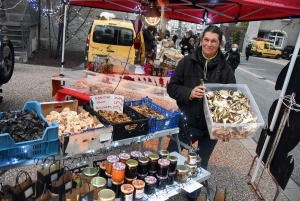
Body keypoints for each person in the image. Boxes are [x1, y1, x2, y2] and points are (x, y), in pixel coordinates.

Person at [167, 25, 236, 201]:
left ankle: (193, 195)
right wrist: (189, 93)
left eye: (214, 41)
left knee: (200, 163)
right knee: (171, 158)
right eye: (206, 40)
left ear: (219, 43)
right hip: (185, 121)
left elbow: (231, 102)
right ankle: (165, 189)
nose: (209, 44)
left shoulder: (227, 70)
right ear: (201, 40)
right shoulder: (186, 62)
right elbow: (172, 87)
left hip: (209, 126)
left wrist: (226, 128)